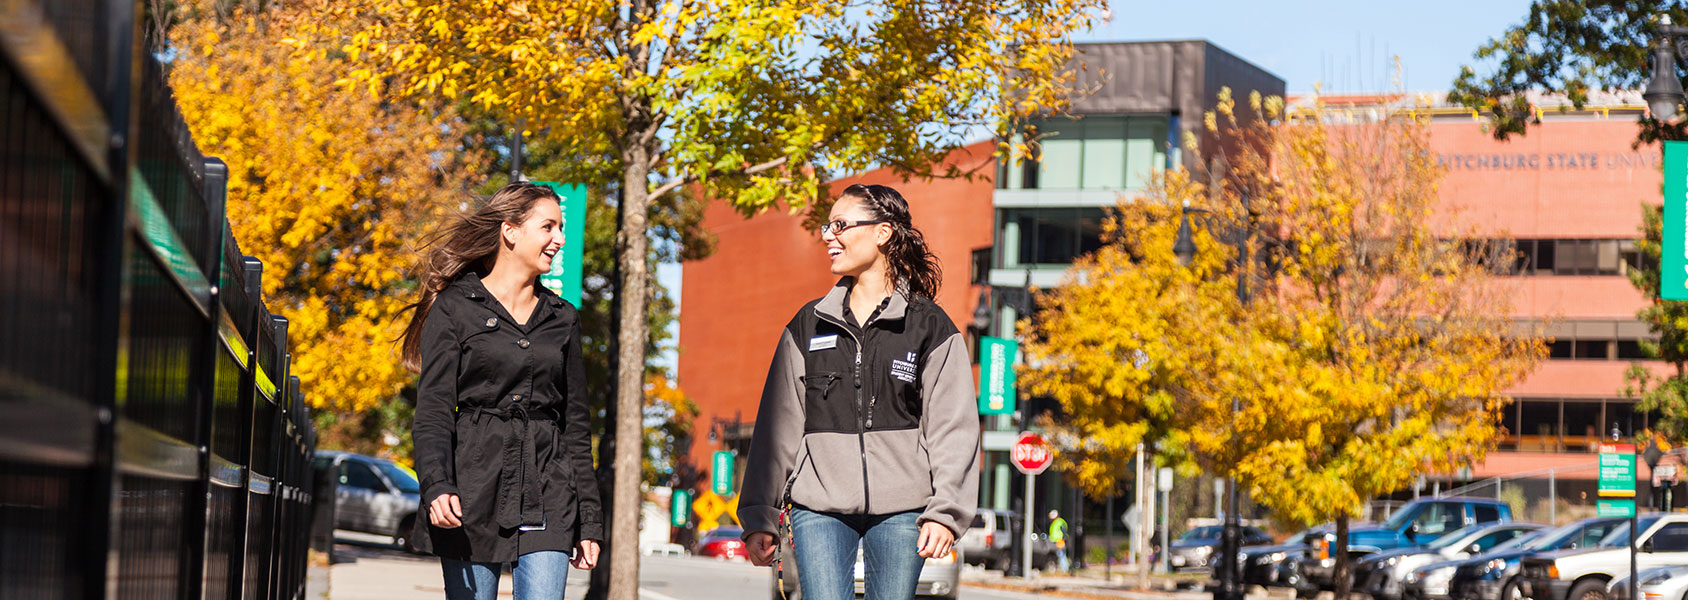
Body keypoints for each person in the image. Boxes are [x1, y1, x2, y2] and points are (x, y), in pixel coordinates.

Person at [738, 184, 981, 600]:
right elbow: (777, 427)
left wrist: (946, 513)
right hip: (819, 507)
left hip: (905, 508)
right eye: (826, 226)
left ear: (883, 233)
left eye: (840, 225)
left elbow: (953, 426)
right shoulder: (807, 325)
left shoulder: (930, 326)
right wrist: (760, 513)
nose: (828, 236)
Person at [401, 181, 602, 600]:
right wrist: (437, 485)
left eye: (561, 228)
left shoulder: (563, 318)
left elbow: (576, 427)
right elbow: (434, 412)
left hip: (548, 485)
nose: (559, 239)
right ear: (510, 231)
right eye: (548, 227)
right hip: (474, 483)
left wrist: (589, 521)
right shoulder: (456, 307)